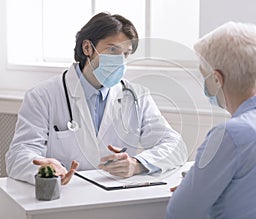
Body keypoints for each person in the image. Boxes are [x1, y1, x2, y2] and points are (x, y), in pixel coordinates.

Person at [5, 12, 187, 185]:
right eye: (113, 50)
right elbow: (19, 154)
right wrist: (45, 169)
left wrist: (137, 164)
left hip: (115, 196)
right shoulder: (43, 96)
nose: (121, 60)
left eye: (125, 54)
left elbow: (175, 146)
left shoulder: (137, 96)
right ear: (87, 48)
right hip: (64, 194)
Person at [166, 21, 256, 219]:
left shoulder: (229, 135)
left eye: (204, 77)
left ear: (217, 79)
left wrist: (194, 191)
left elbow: (179, 213)